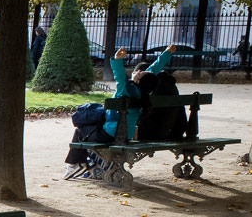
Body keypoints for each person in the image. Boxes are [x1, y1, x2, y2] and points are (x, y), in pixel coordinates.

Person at [65, 46, 173, 178]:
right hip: (126, 134)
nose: (138, 71)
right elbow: (152, 71)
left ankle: (75, 165)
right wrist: (167, 54)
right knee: (91, 128)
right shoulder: (143, 92)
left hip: (111, 133)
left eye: (139, 72)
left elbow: (120, 76)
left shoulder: (125, 89)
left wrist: (117, 59)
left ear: (138, 80)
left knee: (80, 130)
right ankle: (88, 165)